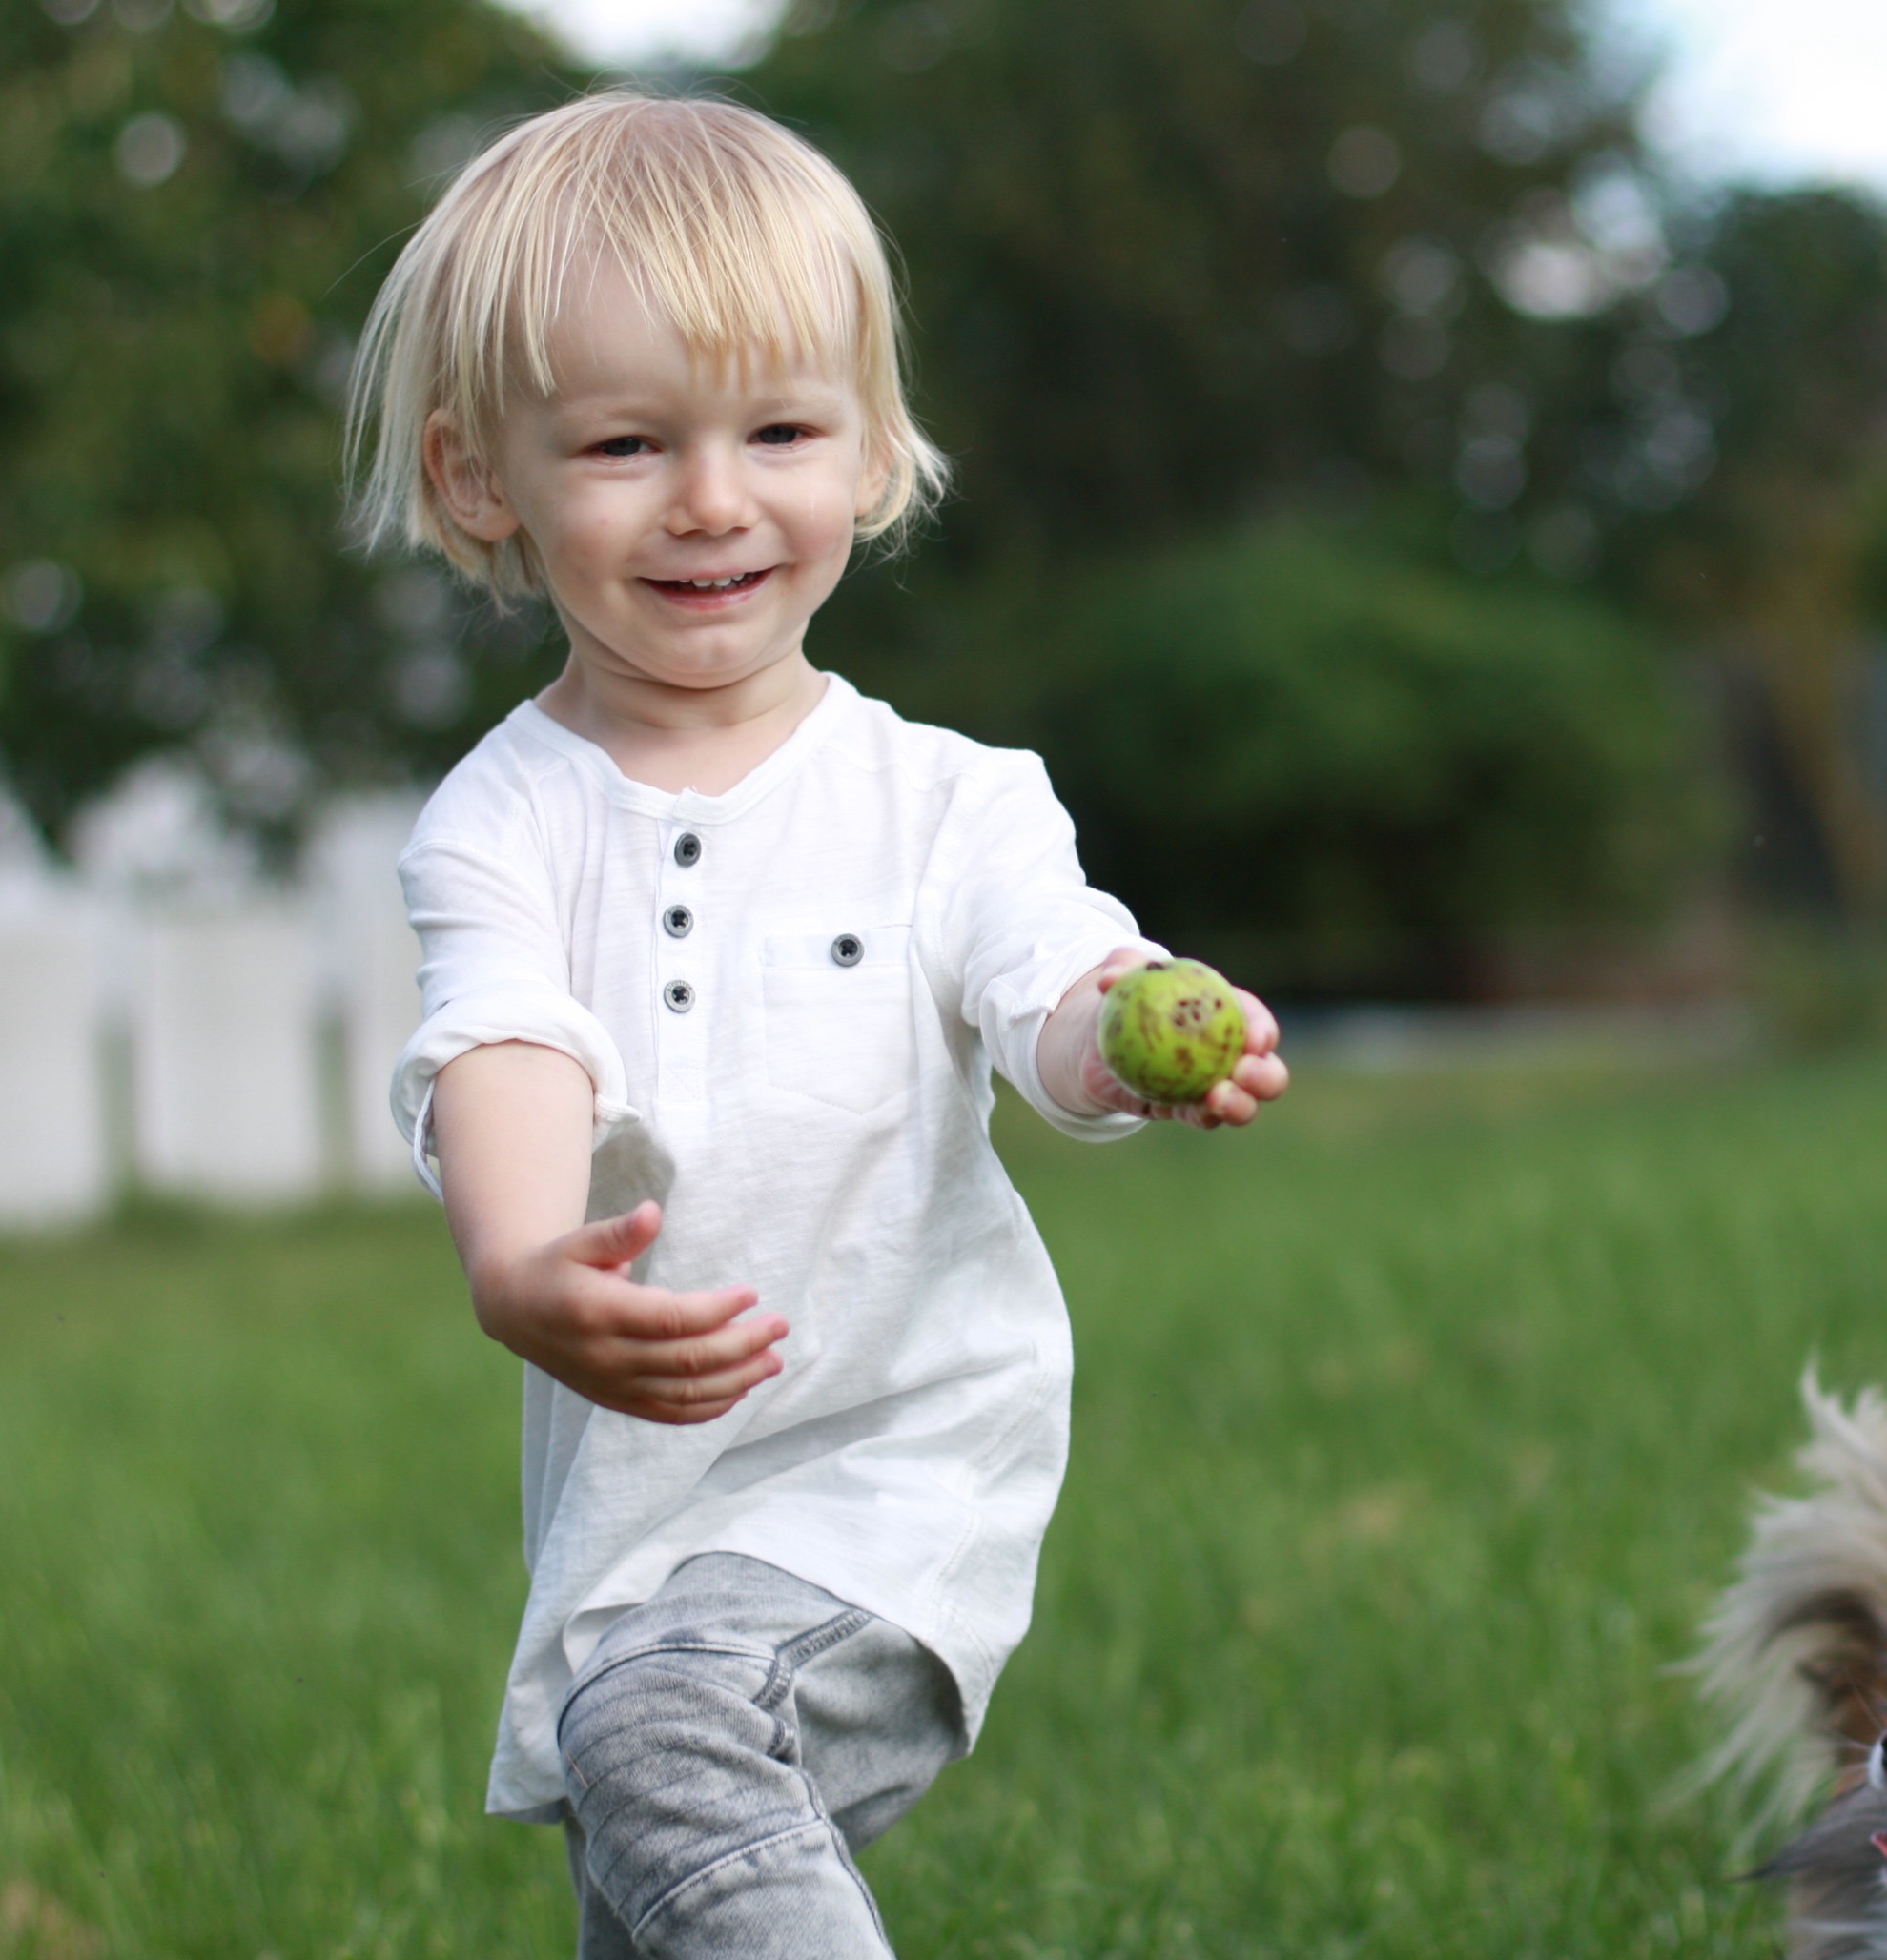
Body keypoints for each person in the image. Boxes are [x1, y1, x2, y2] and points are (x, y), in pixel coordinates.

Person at [343, 91, 1289, 1957]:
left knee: (667, 1728)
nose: (710, 497)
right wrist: (521, 1255)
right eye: (624, 441)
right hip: (641, 1519)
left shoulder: (951, 800)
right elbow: (505, 1034)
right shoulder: (500, 820)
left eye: (776, 429)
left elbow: (1052, 982)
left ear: (867, 455)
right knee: (659, 1864)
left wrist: (1118, 1037)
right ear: (481, 483)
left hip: (893, 1462)